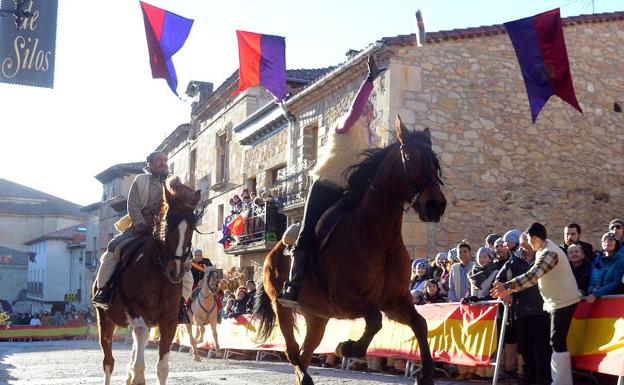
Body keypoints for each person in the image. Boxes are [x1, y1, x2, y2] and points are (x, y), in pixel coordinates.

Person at [278, 55, 385, 308]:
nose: (369, 110)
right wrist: (369, 81)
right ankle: (294, 285)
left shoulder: (372, 140)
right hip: (326, 185)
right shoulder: (344, 125)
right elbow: (354, 109)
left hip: (350, 192)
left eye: (371, 108)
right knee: (306, 233)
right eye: (366, 107)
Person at [91, 151, 194, 323]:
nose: (163, 163)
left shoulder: (174, 183)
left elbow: (184, 203)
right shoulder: (140, 181)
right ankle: (104, 290)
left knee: (186, 261)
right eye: (159, 160)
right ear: (150, 164)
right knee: (113, 249)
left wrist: (185, 193)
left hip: (166, 233)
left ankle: (181, 303)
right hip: (141, 228)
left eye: (165, 160)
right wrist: (142, 225)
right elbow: (133, 206)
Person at [491, 222, 581, 385]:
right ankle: (562, 380)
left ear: (535, 238)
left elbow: (532, 276)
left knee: (556, 341)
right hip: (557, 302)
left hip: (564, 301)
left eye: (529, 240)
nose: (527, 244)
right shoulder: (544, 250)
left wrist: (507, 287)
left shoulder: (549, 253)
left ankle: (561, 381)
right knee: (557, 341)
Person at [498, 232, 551, 385]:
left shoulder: (543, 256)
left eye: (527, 241)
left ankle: (544, 377)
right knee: (525, 347)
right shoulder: (514, 260)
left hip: (542, 309)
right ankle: (529, 378)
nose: (525, 244)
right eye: (523, 242)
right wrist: (505, 294)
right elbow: (500, 280)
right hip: (521, 310)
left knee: (542, 346)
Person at [586, 232, 624, 302]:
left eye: (611, 239)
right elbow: (591, 283)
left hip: (616, 303)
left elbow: (618, 283)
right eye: (605, 239)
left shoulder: (621, 260)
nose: (607, 241)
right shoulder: (597, 262)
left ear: (617, 243)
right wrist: (592, 289)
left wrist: (597, 293)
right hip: (599, 304)